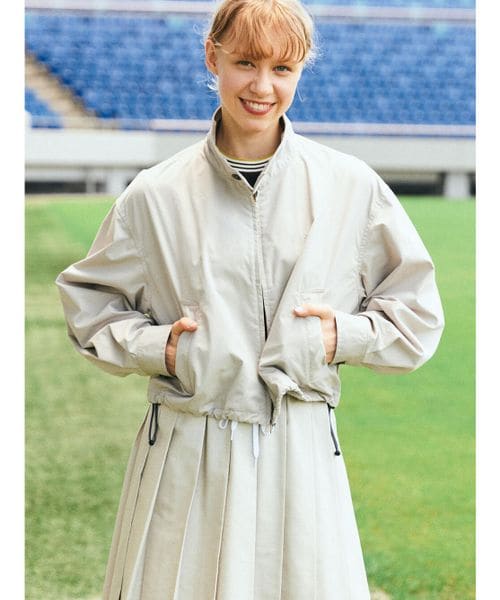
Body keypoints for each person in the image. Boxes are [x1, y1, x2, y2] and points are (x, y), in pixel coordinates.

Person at [56, 0, 445, 598]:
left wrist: (341, 337)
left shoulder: (351, 186)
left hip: (303, 448)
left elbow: (416, 313)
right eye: (245, 63)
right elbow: (90, 305)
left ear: (300, 72)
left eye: (282, 69)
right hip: (188, 448)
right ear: (212, 58)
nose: (263, 87)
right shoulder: (155, 195)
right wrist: (163, 349)